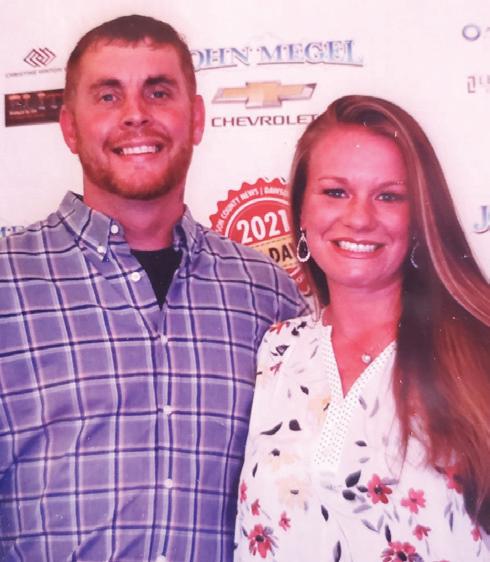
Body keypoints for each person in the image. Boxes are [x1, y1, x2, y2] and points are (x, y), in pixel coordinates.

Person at [0, 15, 306, 562]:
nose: (136, 114)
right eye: (108, 95)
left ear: (197, 119)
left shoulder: (267, 295)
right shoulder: (8, 282)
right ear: (69, 128)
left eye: (158, 92)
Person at [234, 95, 490, 561]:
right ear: (301, 212)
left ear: (420, 217)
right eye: (335, 192)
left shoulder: (479, 349)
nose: (359, 218)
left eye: (388, 196)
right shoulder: (276, 350)